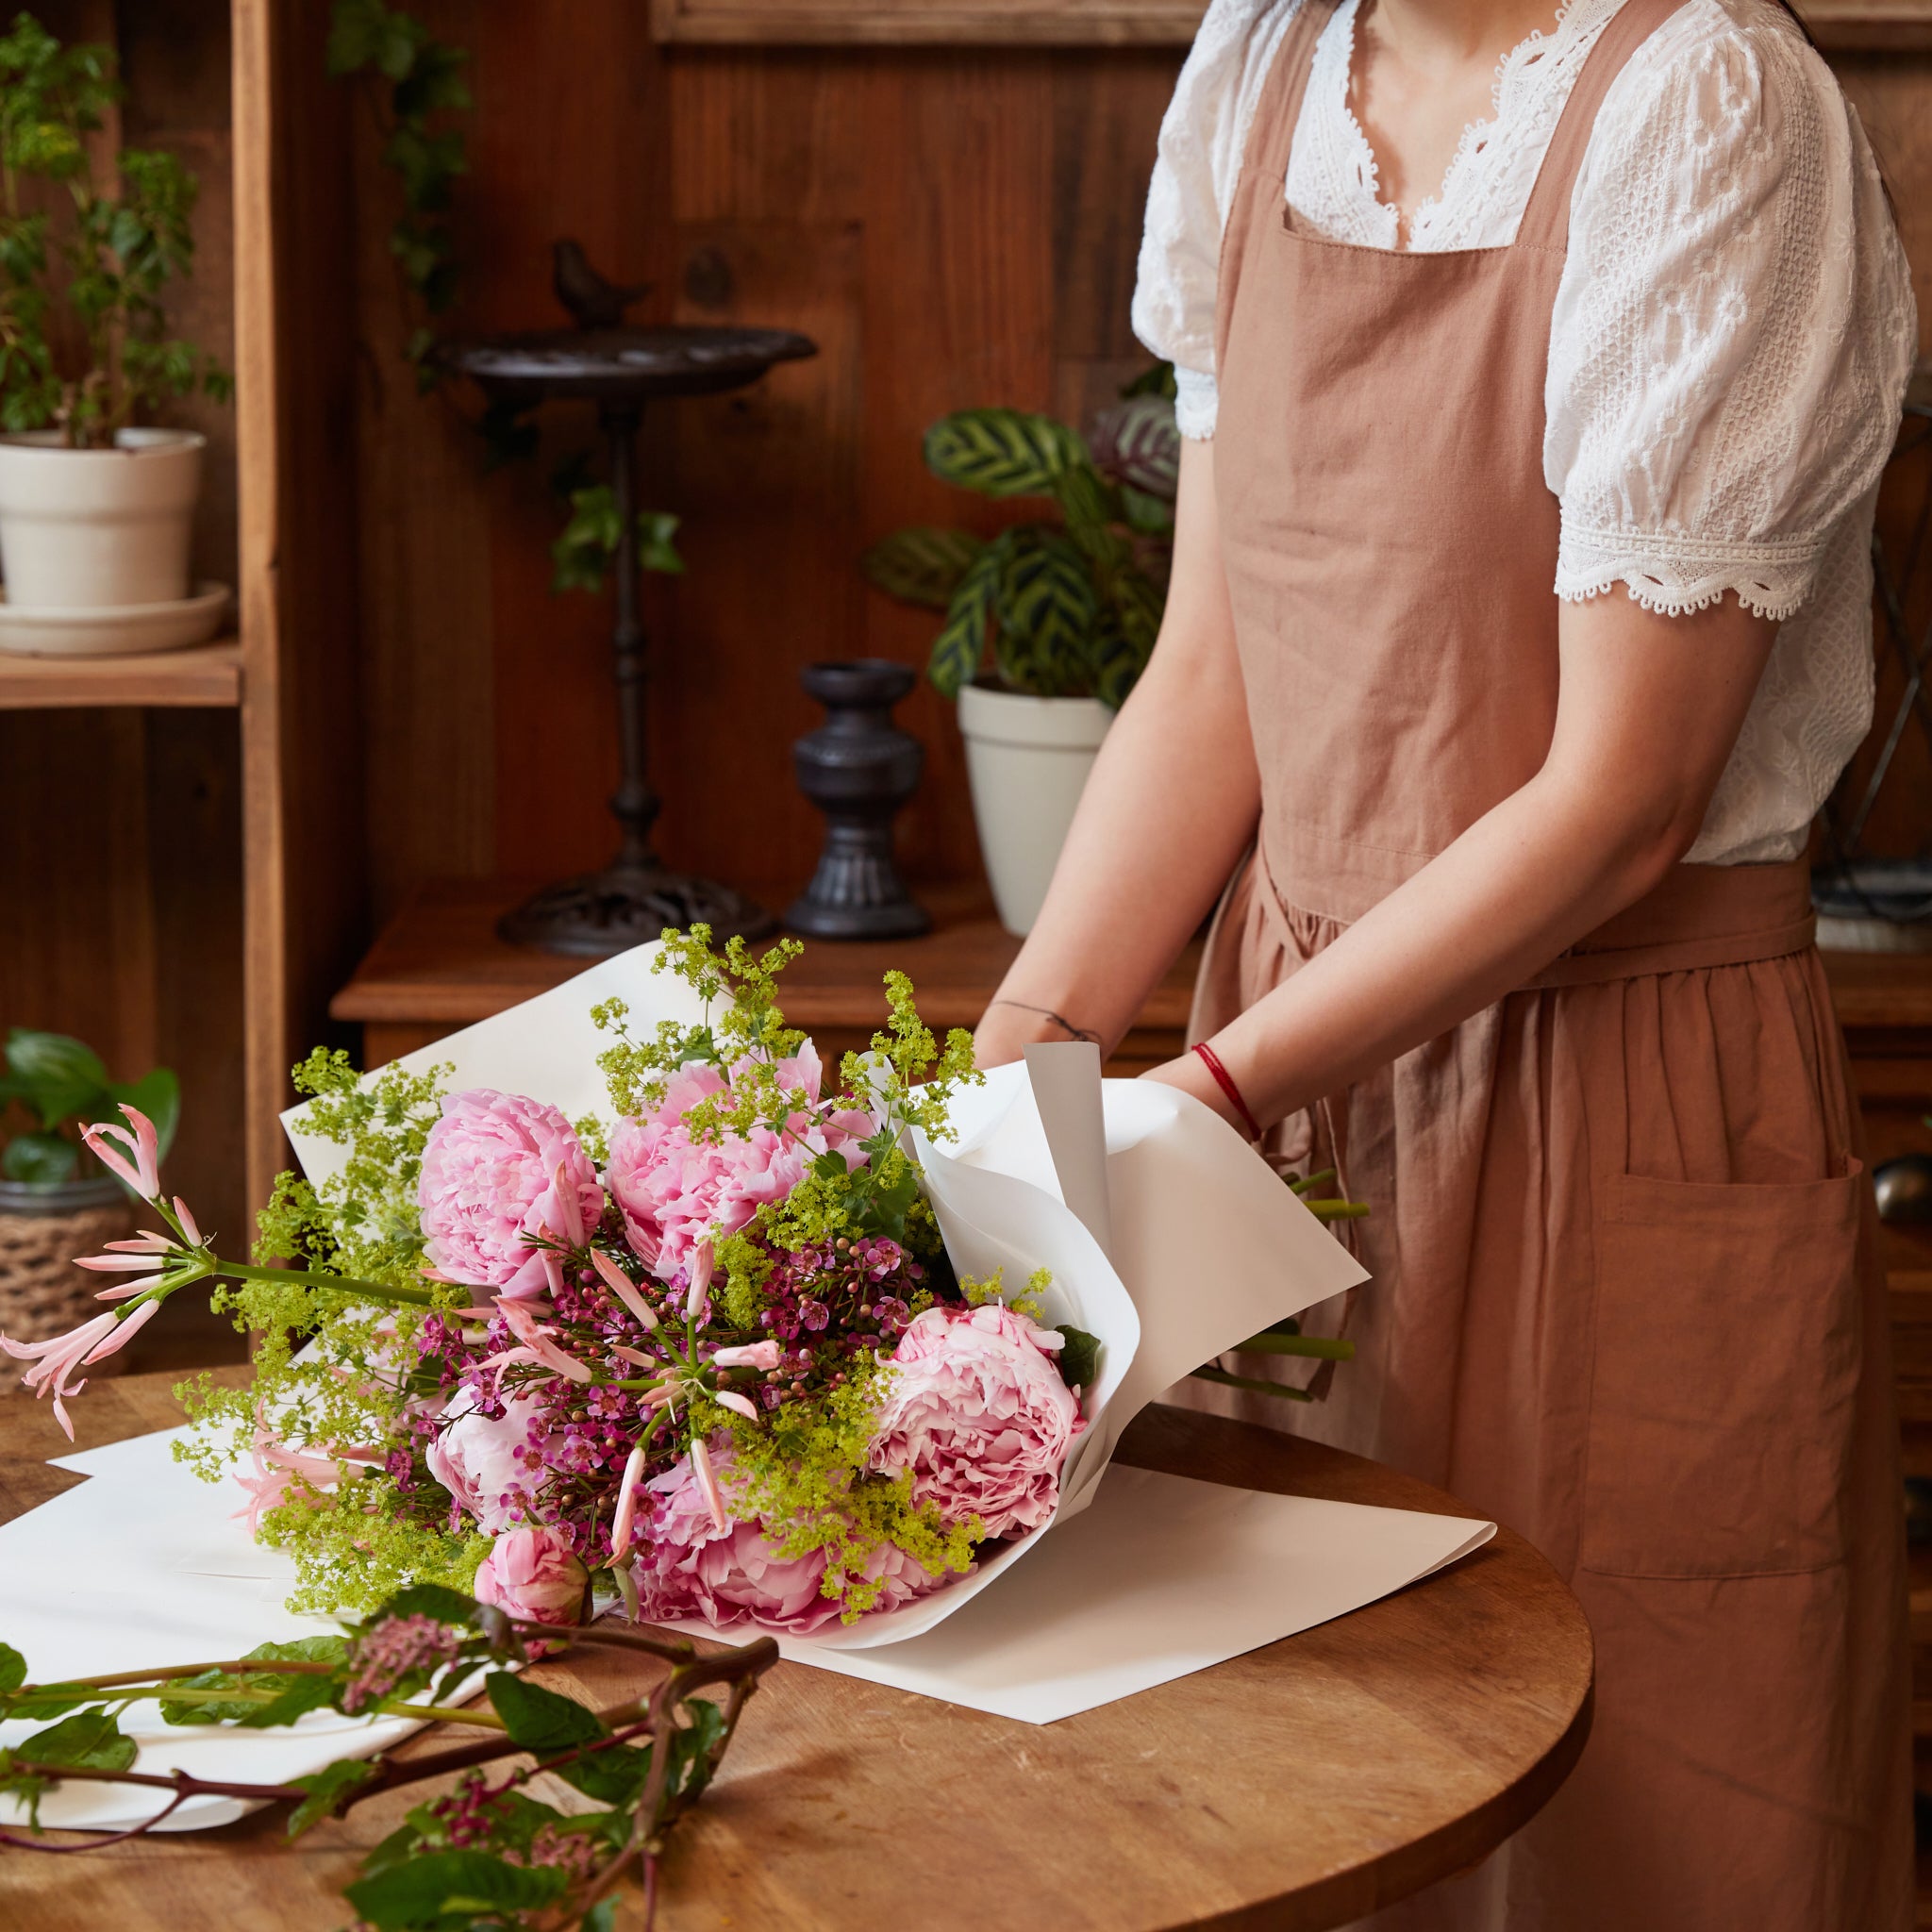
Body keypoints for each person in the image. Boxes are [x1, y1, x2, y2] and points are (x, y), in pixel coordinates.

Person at [973, 1, 1918, 1925]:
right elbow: (1210, 673)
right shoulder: (1258, 68)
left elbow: (1620, 800)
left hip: (1618, 1082)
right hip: (1281, 1092)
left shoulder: (1707, 102)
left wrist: (1207, 1097)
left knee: (1646, 1820)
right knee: (1283, 1808)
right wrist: (1032, 1046)